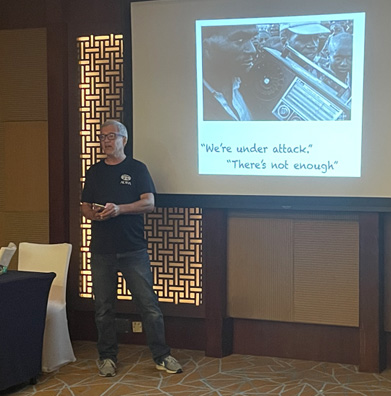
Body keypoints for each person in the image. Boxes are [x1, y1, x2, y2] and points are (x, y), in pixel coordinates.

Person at [80, 120, 182, 377]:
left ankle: (162, 355)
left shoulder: (137, 169)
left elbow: (149, 203)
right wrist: (94, 214)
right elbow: (84, 206)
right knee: (103, 308)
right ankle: (107, 357)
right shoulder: (94, 172)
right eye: (102, 137)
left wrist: (119, 209)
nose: (105, 141)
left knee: (149, 305)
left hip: (133, 249)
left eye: (110, 136)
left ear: (123, 140)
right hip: (101, 250)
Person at [202, 25, 258, 120]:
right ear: (207, 47)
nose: (252, 50)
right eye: (239, 40)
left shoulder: (251, 83)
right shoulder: (193, 102)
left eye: (252, 39)